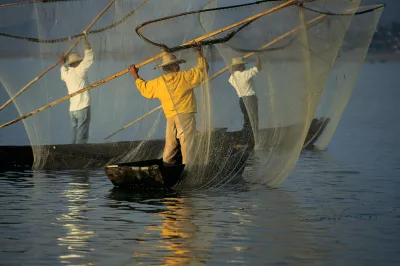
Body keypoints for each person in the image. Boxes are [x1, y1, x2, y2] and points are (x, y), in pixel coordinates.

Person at [128, 46, 207, 165]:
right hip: (185, 115)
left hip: (170, 117)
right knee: (187, 143)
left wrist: (135, 76)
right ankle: (187, 168)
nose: (179, 67)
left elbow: (145, 89)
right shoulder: (185, 77)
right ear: (174, 66)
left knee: (171, 143)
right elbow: (202, 71)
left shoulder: (159, 82)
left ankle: (167, 164)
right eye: (177, 65)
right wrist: (200, 54)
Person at [60, 36, 94, 144]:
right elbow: (89, 58)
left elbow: (62, 69)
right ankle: (80, 152)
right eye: (78, 62)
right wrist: (86, 41)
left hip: (73, 110)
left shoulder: (66, 74)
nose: (80, 63)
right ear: (76, 64)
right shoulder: (79, 71)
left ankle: (72, 150)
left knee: (75, 131)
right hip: (82, 107)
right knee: (81, 134)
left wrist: (62, 62)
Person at [228, 56, 261, 140]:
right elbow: (258, 68)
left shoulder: (232, 78)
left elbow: (229, 75)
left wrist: (231, 69)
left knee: (247, 119)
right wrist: (258, 57)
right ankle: (254, 137)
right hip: (250, 99)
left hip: (242, 101)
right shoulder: (244, 74)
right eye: (243, 65)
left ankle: (247, 136)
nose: (245, 67)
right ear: (240, 66)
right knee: (254, 119)